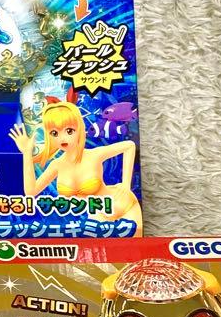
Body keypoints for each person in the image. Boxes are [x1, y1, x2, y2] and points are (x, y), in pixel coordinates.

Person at [9, 95, 142, 233]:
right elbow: (31, 192)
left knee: (136, 244)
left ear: (79, 129)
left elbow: (129, 146)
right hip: (98, 214)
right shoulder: (56, 165)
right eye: (54, 133)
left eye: (69, 131)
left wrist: (126, 185)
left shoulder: (94, 154)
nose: (62, 138)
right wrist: (26, 153)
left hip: (124, 205)